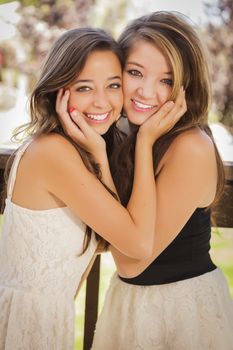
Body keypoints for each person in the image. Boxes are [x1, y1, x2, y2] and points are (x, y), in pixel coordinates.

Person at [0, 27, 184, 350]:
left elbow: (112, 233)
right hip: (23, 325)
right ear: (60, 90)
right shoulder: (52, 152)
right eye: (85, 87)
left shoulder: (76, 151)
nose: (102, 101)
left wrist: (100, 154)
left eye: (113, 85)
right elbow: (136, 243)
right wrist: (146, 141)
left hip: (44, 320)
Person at [90, 11, 233, 350]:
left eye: (166, 81)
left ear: (185, 87)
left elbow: (130, 261)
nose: (147, 91)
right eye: (135, 72)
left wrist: (142, 145)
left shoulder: (190, 147)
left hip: (178, 311)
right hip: (129, 302)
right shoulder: (125, 132)